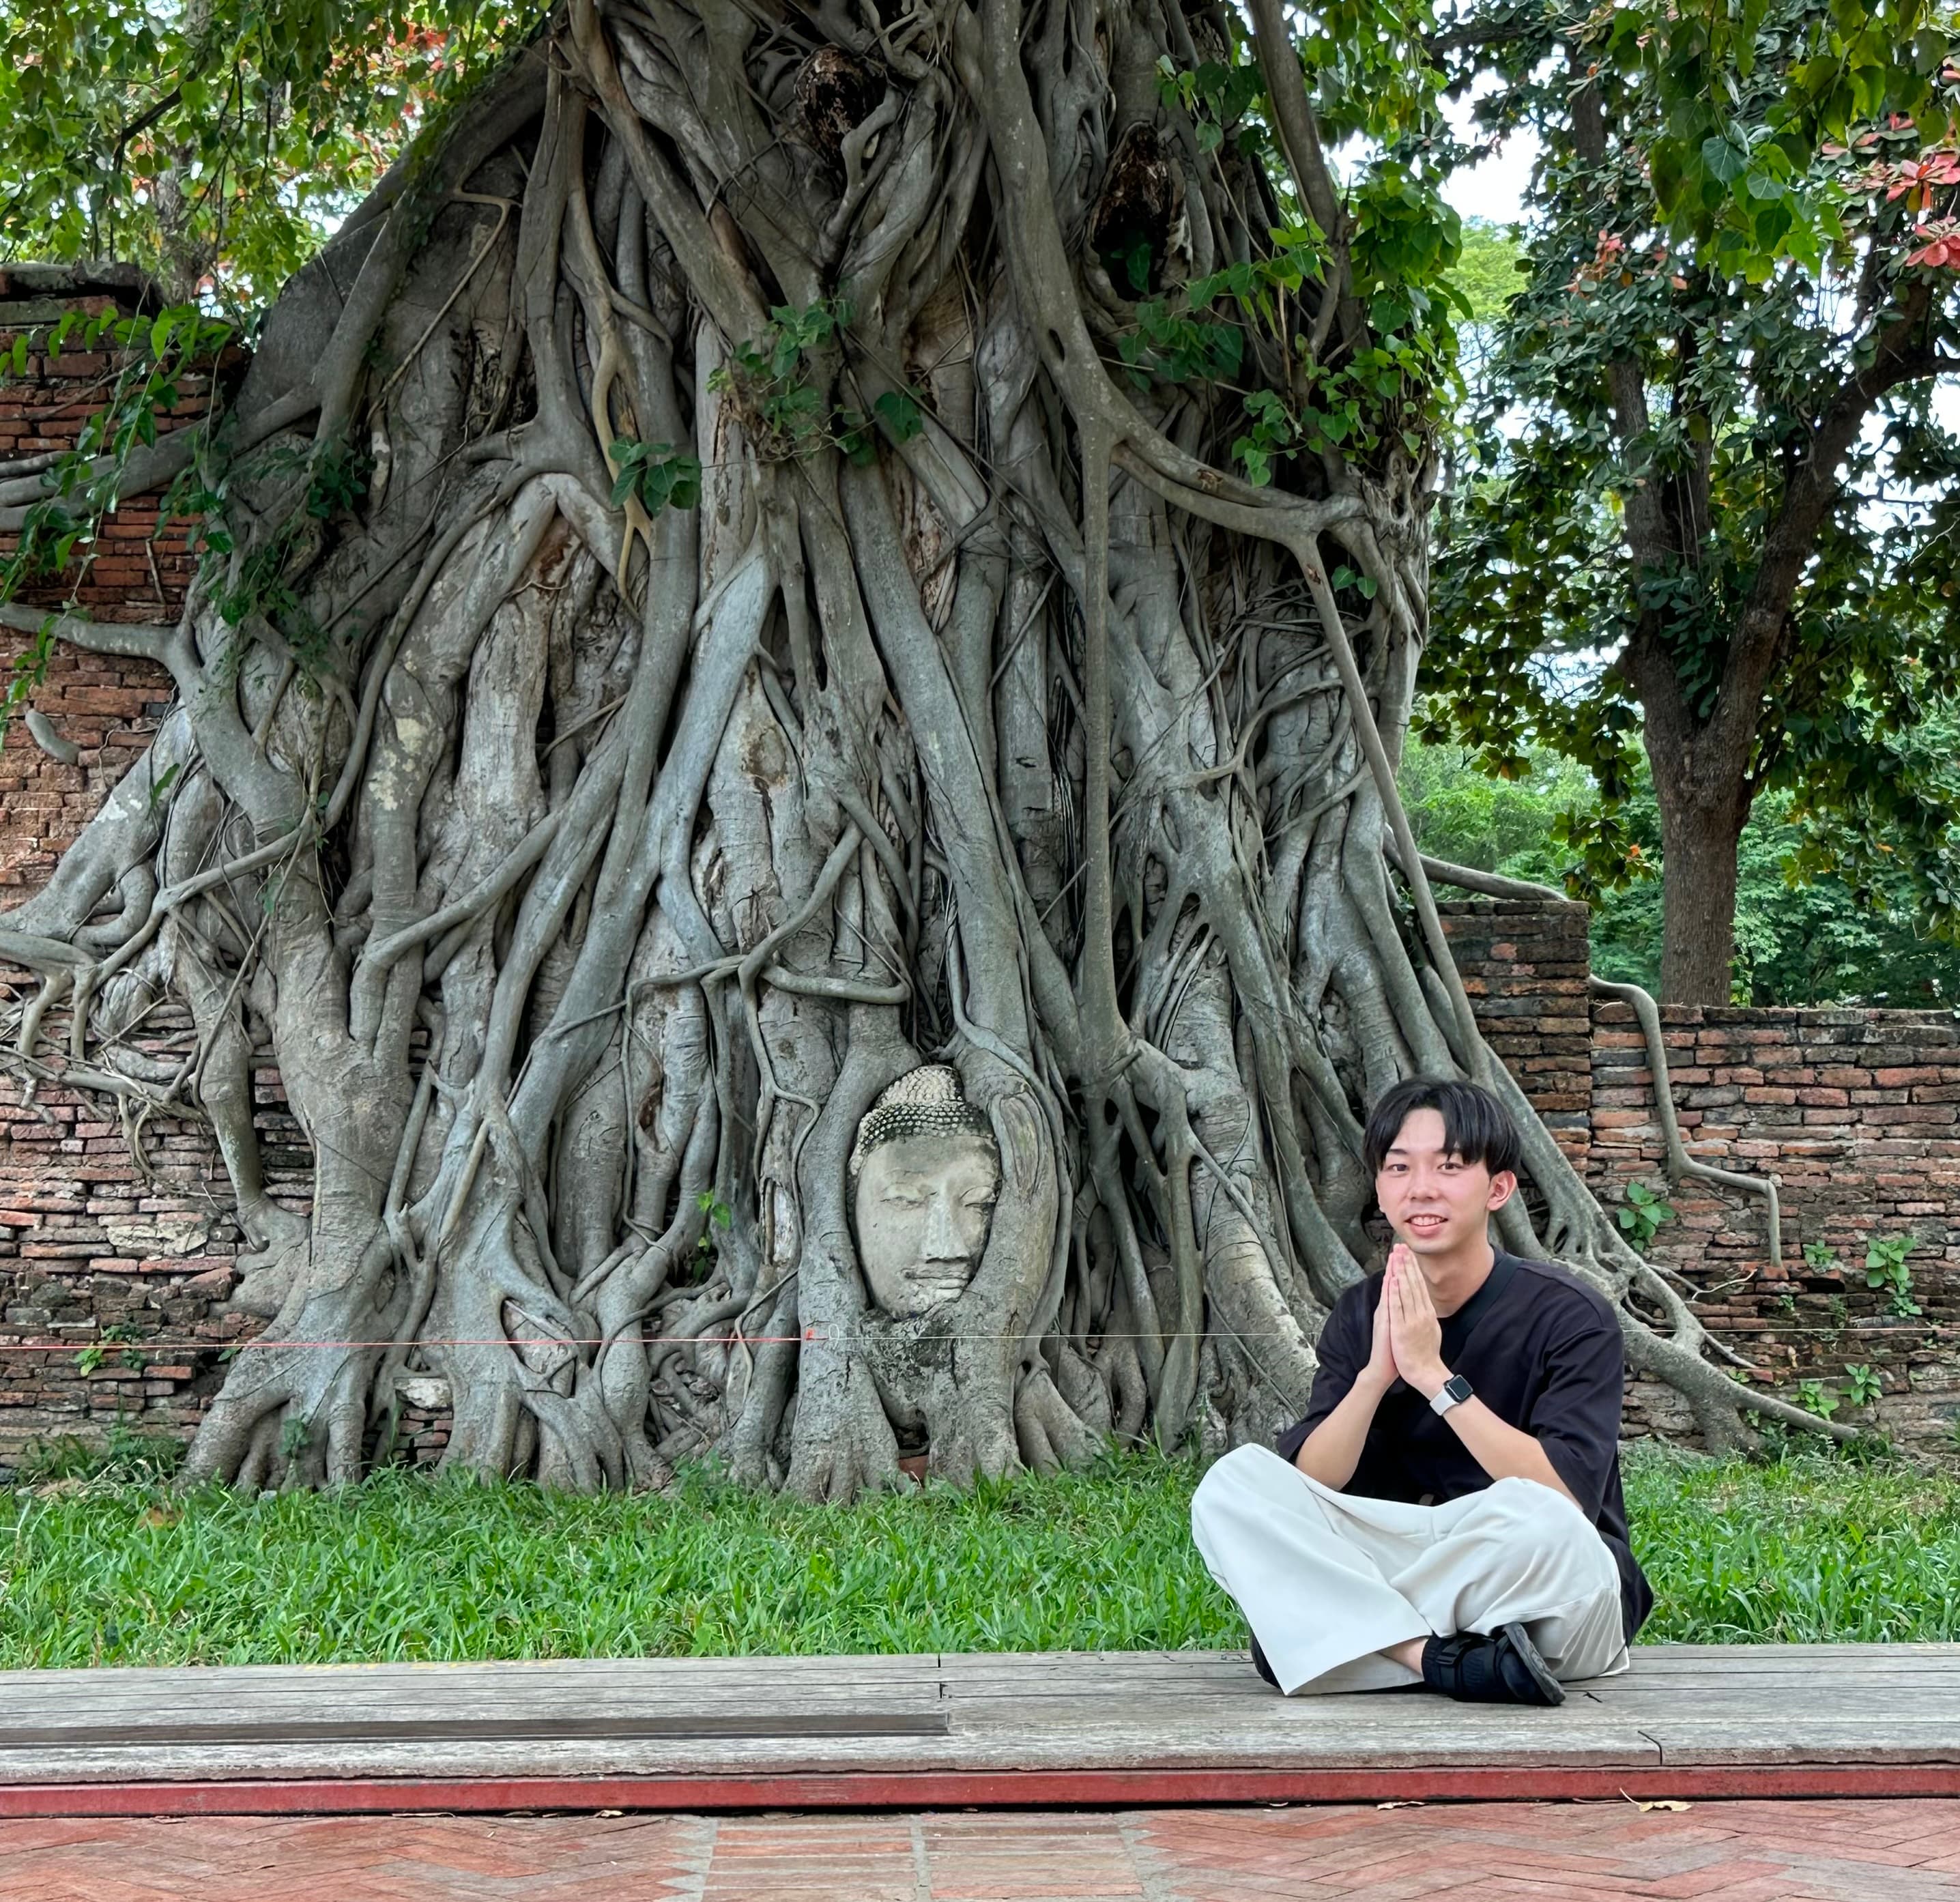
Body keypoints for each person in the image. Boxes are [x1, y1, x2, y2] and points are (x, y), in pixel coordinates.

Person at [1190, 1076, 1652, 1704]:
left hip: (1540, 1578)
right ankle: (1440, 1659)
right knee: (1232, 1486)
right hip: (1404, 1552)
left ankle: (1343, 1637)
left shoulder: (1570, 1315)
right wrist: (1377, 1374)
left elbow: (1565, 1498)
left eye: (1450, 1166)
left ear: (1499, 1187)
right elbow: (1315, 1480)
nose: (1422, 1188)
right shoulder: (1361, 1312)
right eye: (1399, 1167)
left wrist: (1434, 1376)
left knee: (1542, 1520)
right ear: (1379, 1189)